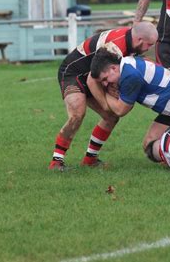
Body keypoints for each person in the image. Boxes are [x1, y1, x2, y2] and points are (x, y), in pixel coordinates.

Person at [49, 22, 158, 171]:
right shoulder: (115, 47)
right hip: (73, 73)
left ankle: (90, 160)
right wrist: (106, 103)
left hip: (96, 76)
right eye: (149, 44)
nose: (149, 48)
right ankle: (56, 162)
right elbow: (92, 79)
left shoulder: (132, 43)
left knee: (111, 117)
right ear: (139, 40)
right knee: (77, 114)